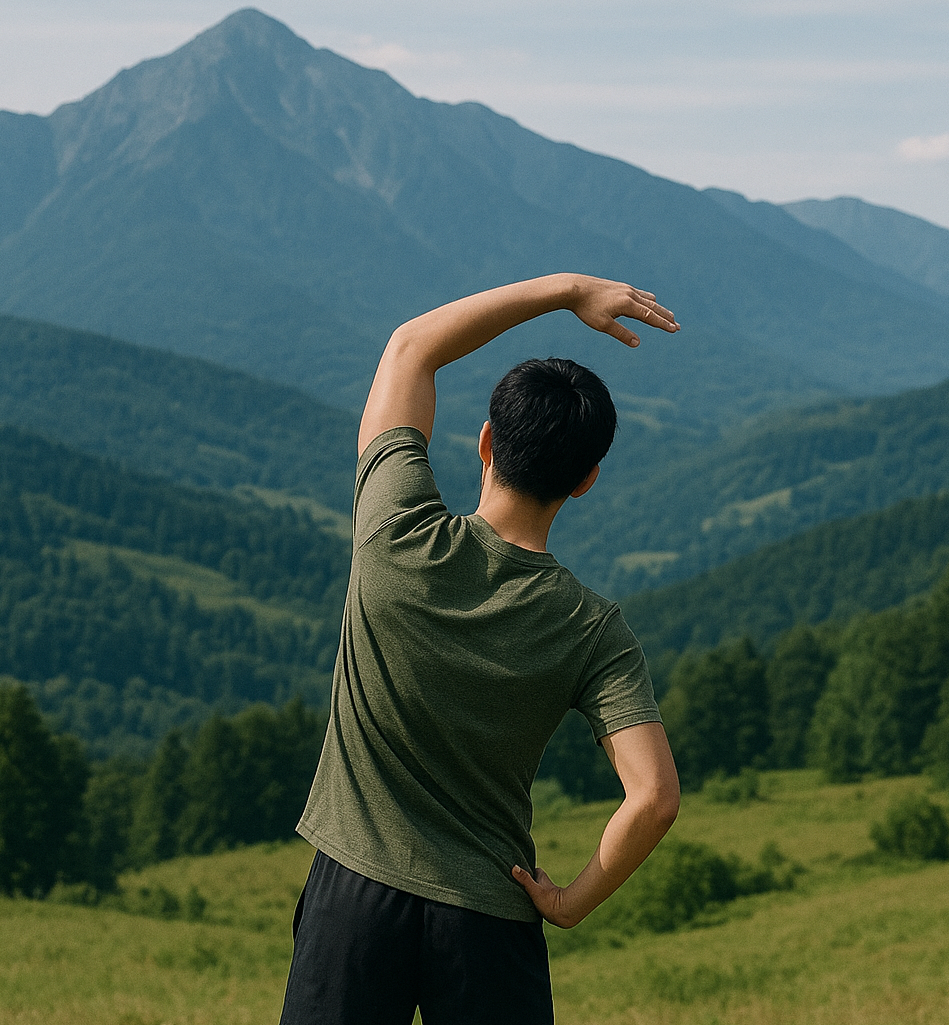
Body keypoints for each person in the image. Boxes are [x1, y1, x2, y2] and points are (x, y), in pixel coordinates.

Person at [278, 273, 682, 1025]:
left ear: (487, 441)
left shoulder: (396, 532)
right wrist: (569, 901)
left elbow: (411, 349)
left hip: (353, 900)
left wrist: (568, 290)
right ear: (587, 481)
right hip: (491, 920)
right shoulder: (593, 628)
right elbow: (654, 799)